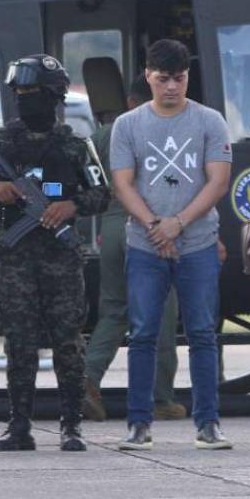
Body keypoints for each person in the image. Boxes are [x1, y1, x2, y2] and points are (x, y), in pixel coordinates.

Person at [0, 54, 111, 451]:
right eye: (21, 93)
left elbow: (102, 193)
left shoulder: (75, 146)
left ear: (54, 96)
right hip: (17, 258)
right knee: (19, 342)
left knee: (68, 341)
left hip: (61, 259)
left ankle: (72, 425)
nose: (27, 100)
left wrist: (72, 206)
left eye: (35, 93)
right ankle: (19, 426)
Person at [111, 39, 233, 451]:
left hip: (198, 243)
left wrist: (178, 223)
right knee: (143, 332)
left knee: (202, 332)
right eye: (162, 79)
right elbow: (123, 183)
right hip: (145, 245)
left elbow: (218, 180)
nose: (171, 88)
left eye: (178, 79)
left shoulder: (210, 121)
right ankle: (138, 423)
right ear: (148, 75)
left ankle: (209, 422)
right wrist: (154, 227)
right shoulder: (127, 125)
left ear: (188, 77)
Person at [83, 74, 185, 424]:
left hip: (112, 227)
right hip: (152, 229)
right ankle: (160, 398)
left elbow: (88, 180)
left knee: (113, 310)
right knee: (162, 313)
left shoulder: (101, 135)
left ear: (129, 101)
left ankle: (87, 379)